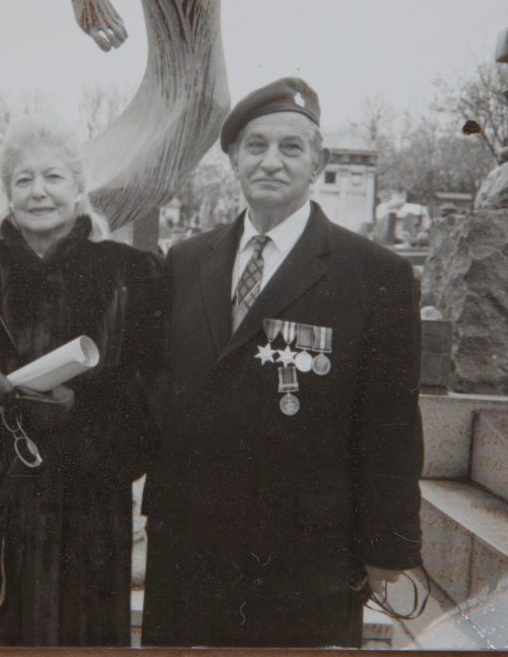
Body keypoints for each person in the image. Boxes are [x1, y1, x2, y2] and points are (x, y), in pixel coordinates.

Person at [141, 77, 423, 648]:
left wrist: (387, 545)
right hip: (189, 541)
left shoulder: (375, 276)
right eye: (256, 146)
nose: (272, 161)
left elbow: (391, 423)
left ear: (317, 162)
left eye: (291, 148)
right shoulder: (185, 261)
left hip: (303, 550)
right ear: (234, 160)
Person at [0, 120, 167, 646]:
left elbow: (157, 393)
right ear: (8, 195)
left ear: (80, 189)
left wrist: (81, 411)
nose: (38, 191)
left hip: (88, 524)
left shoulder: (132, 277)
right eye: (23, 180)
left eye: (53, 177)